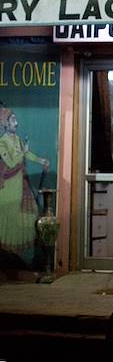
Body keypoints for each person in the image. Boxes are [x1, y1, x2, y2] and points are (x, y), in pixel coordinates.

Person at [0, 105, 50, 268]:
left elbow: (26, 154)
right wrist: (23, 152)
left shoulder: (17, 140)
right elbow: (12, 162)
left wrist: (40, 160)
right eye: (13, 120)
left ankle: (21, 256)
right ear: (6, 123)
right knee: (12, 216)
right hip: (9, 186)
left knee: (32, 213)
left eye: (16, 119)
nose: (16, 122)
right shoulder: (2, 143)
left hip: (21, 183)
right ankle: (9, 256)